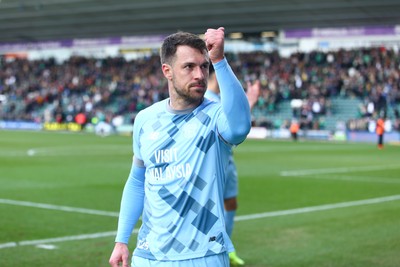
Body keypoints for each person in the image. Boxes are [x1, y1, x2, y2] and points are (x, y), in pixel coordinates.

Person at [109, 27, 251, 267]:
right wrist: (121, 240)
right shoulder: (145, 119)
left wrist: (219, 60)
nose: (199, 74)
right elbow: (137, 181)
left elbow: (239, 128)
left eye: (204, 66)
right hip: (148, 256)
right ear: (168, 71)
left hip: (203, 256)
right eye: (189, 67)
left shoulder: (216, 117)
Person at [205, 65, 260, 266]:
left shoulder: (218, 99)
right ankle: (215, 250)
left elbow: (232, 125)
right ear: (215, 77)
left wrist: (250, 102)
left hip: (228, 163)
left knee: (231, 204)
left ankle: (226, 248)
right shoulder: (207, 99)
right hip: (213, 166)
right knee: (213, 208)